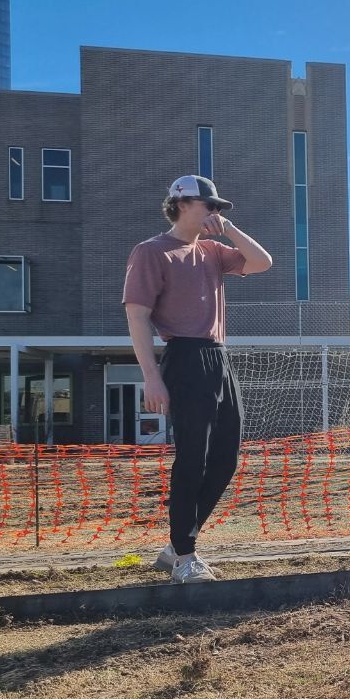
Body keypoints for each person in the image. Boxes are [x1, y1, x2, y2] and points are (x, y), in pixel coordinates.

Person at [122, 175, 273, 583]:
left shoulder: (213, 251)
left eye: (218, 207)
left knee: (226, 459)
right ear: (182, 204)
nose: (215, 212)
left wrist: (230, 229)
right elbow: (136, 316)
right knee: (192, 458)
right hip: (184, 356)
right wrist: (151, 377)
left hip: (218, 356)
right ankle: (186, 556)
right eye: (210, 205)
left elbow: (262, 262)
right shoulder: (151, 251)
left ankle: (176, 548)